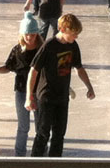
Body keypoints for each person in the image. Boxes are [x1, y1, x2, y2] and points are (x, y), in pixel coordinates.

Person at [27, 13, 96, 157]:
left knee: (59, 134)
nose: (75, 37)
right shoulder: (49, 45)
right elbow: (33, 71)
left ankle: (55, 165)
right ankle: (34, 165)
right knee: (43, 133)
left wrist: (89, 87)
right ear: (62, 29)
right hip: (46, 96)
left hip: (62, 97)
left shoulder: (73, 45)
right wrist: (29, 97)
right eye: (73, 34)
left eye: (77, 34)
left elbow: (79, 68)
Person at [0, 16, 45, 157]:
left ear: (37, 34)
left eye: (32, 34)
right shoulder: (17, 50)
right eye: (27, 34)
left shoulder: (42, 50)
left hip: (39, 91)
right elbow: (8, 67)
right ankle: (19, 155)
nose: (29, 37)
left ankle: (41, 153)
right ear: (21, 34)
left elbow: (50, 71)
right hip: (21, 91)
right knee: (23, 126)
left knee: (41, 126)